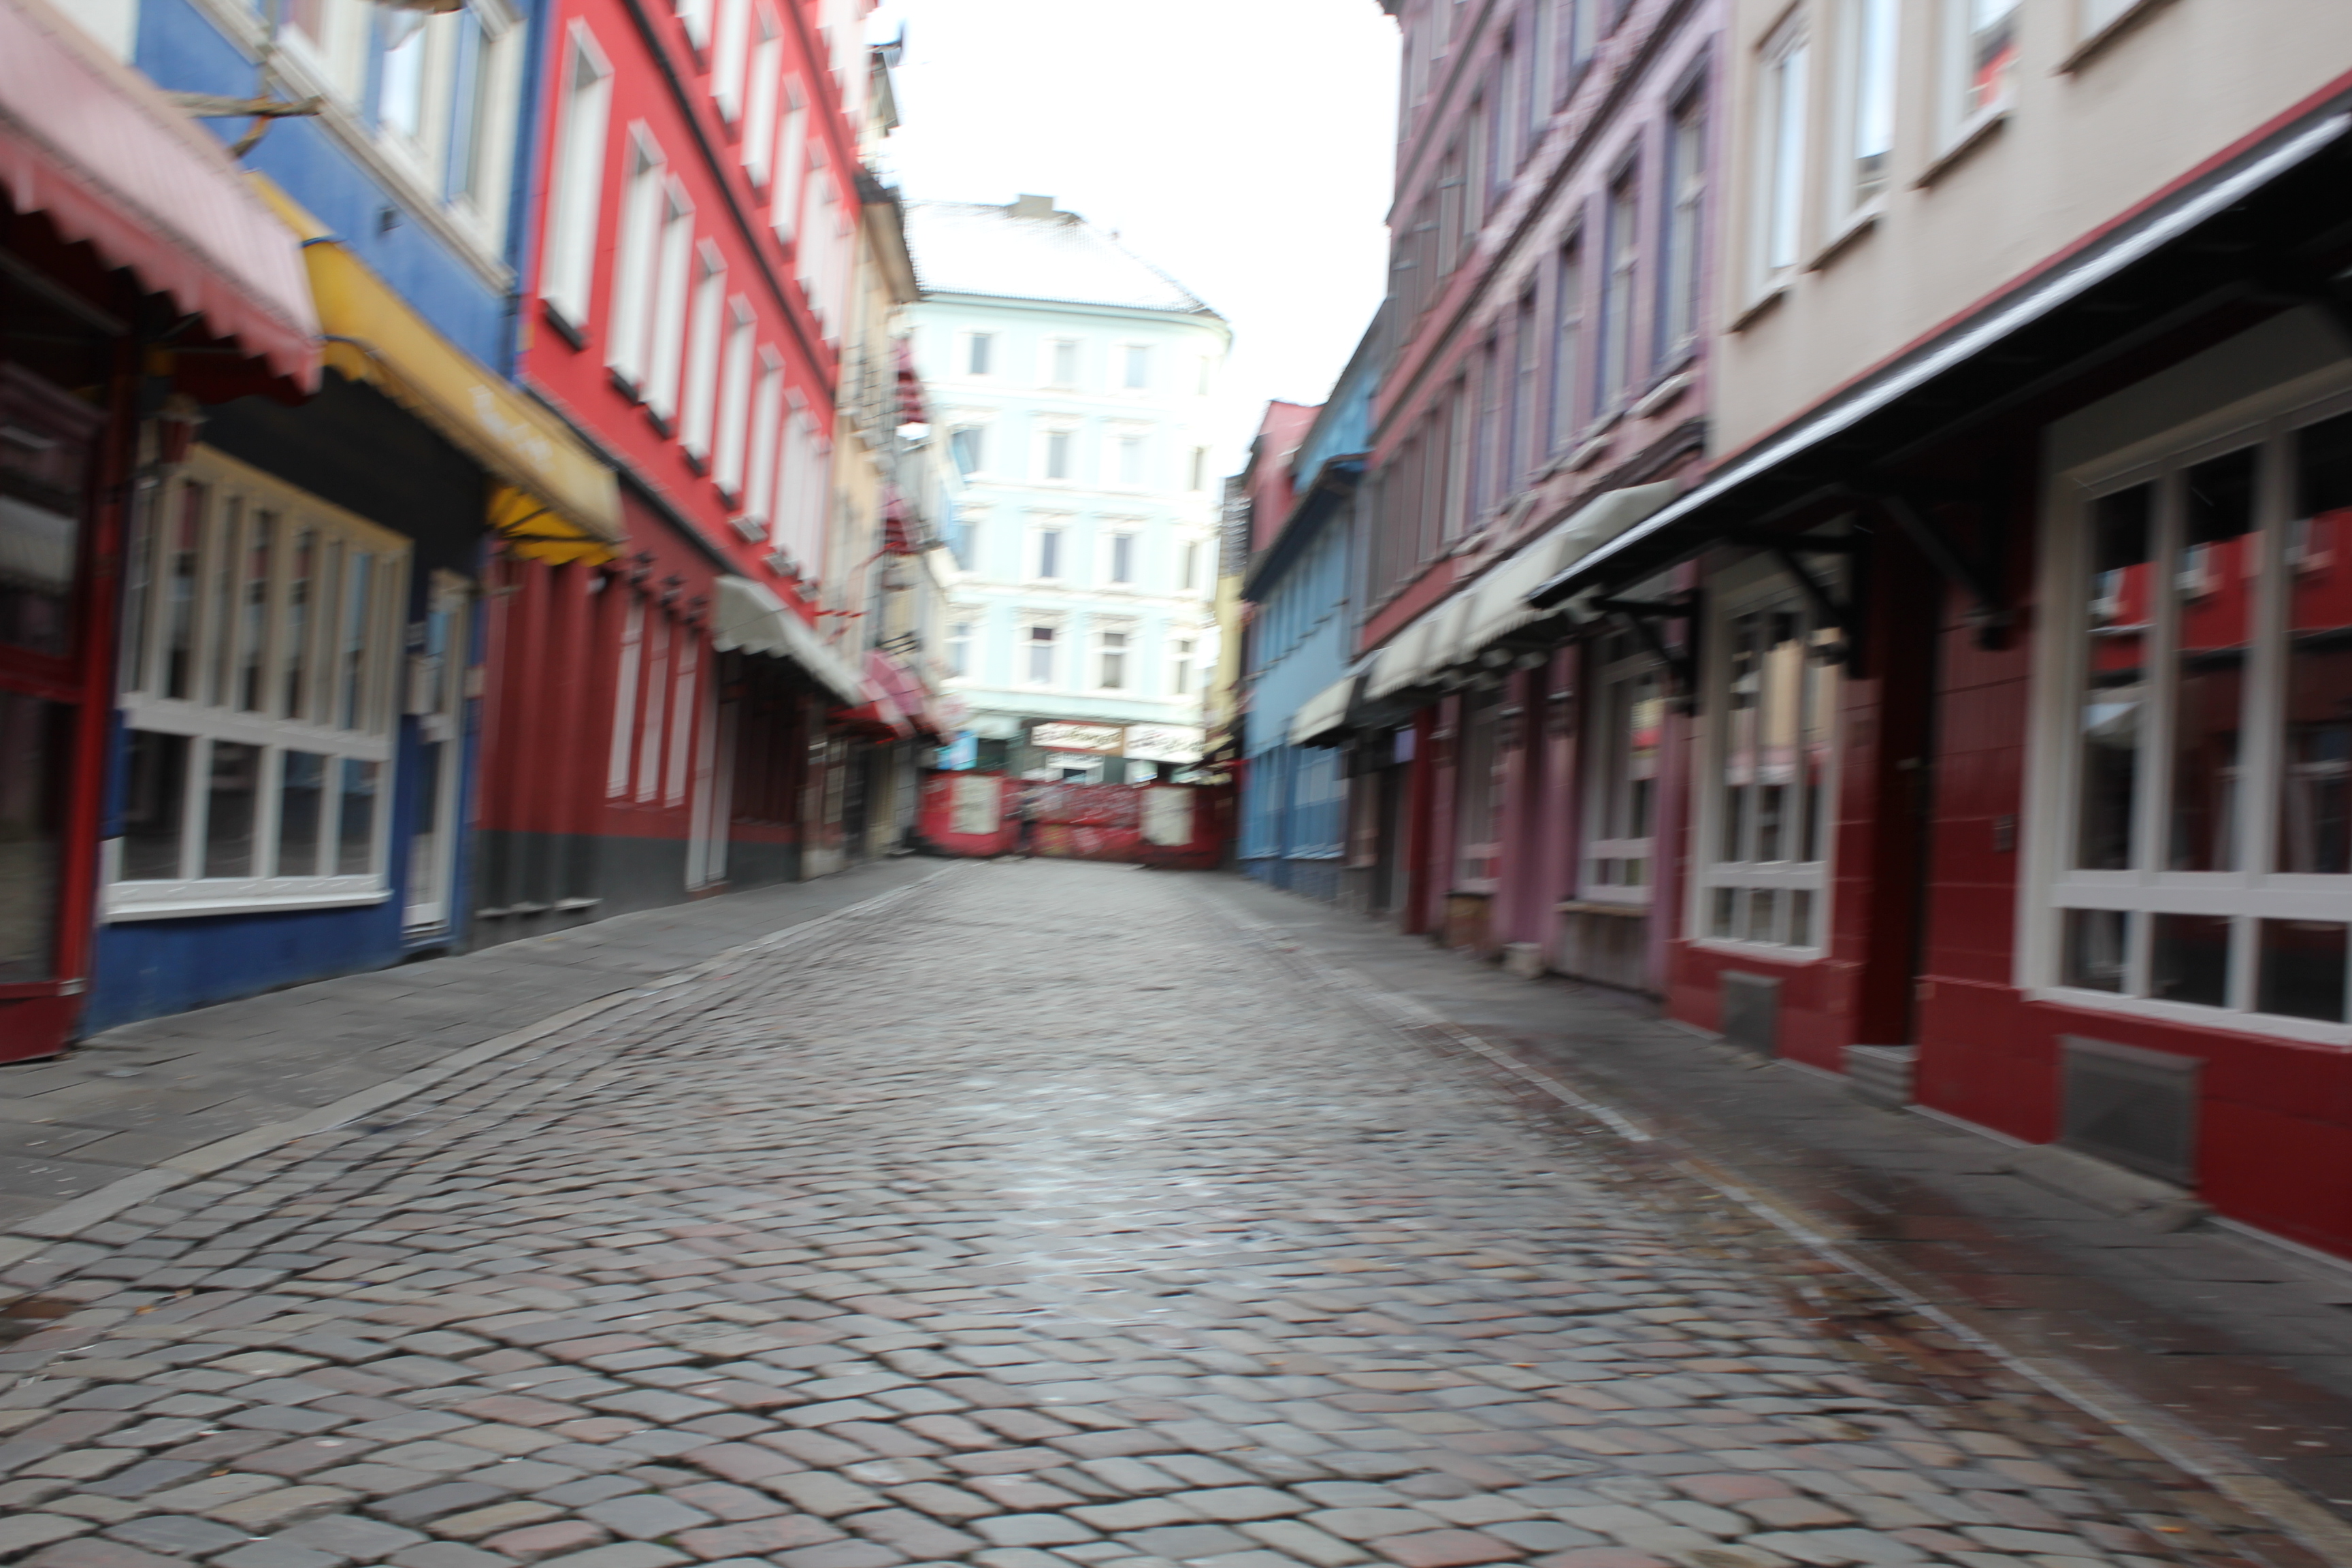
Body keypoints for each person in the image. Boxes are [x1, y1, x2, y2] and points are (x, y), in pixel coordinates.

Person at [1013, 781, 1042, 858]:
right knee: (1028, 836)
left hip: (1026, 820)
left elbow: (1020, 809)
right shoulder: (1034, 799)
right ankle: (1028, 852)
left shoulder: (1027, 800)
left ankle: (1025, 851)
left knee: (1023, 836)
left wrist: (1011, 815)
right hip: (1032, 820)